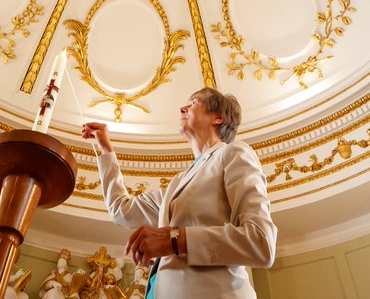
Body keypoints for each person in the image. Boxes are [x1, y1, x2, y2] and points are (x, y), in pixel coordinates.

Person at [82, 87, 277, 298]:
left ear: (218, 117)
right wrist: (105, 150)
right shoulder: (176, 185)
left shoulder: (233, 154)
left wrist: (175, 239)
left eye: (194, 102)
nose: (182, 108)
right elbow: (121, 210)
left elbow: (261, 242)